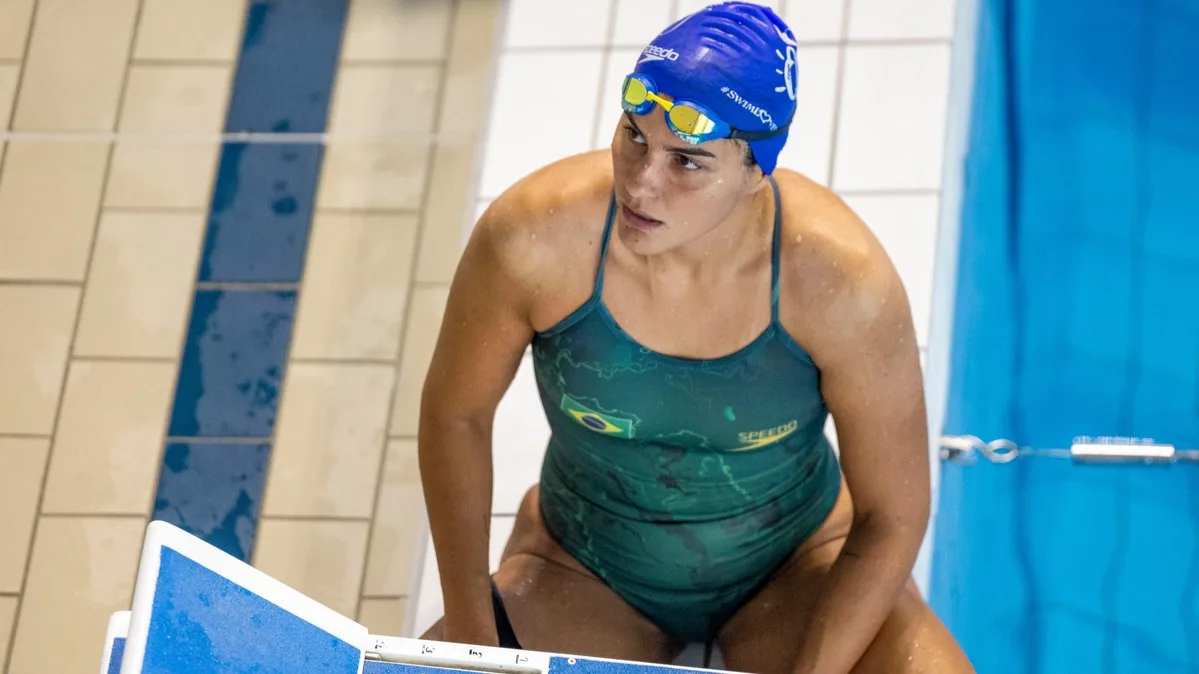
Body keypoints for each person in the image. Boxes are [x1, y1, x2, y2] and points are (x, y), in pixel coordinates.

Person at [417, 3, 973, 672]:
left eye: (687, 162)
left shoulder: (837, 282)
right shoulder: (535, 239)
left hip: (794, 567)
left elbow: (894, 515)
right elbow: (456, 417)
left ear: (753, 171)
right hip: (580, 567)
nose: (641, 184)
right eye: (634, 136)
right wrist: (476, 641)